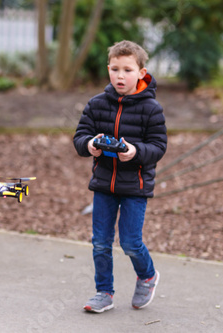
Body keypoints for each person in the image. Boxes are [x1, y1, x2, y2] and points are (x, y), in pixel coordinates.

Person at [73, 40, 167, 313]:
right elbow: (80, 137)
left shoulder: (151, 109)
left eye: (127, 70)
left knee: (129, 242)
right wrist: (90, 144)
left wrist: (135, 151)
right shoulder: (97, 104)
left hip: (135, 187)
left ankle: (147, 275)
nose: (120, 76)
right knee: (100, 242)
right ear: (108, 70)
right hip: (103, 184)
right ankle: (104, 292)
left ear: (141, 72)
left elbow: (158, 147)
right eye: (115, 69)